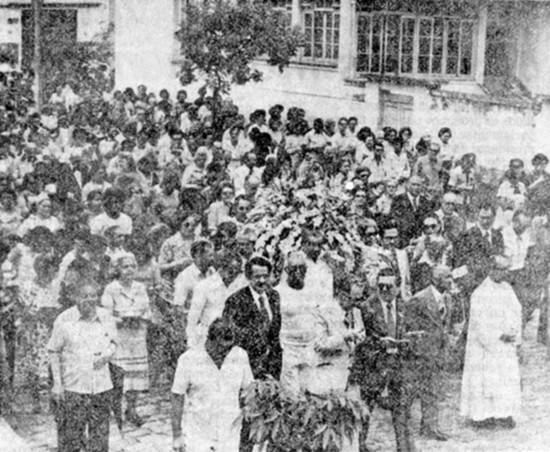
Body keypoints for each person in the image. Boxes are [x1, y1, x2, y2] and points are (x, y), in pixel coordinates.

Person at [350, 268, 416, 452]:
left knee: (401, 408)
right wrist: (379, 343)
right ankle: (360, 446)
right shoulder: (366, 307)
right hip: (374, 365)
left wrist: (408, 340)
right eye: (381, 286)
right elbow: (360, 340)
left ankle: (403, 447)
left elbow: (410, 331)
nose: (384, 290)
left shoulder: (405, 306)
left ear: (398, 287)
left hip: (398, 364)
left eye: (389, 286)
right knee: (366, 408)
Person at [48, 279, 117, 452]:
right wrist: (57, 384)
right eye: (84, 296)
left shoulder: (106, 316)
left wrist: (107, 354)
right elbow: (53, 351)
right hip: (74, 388)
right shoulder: (64, 319)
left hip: (101, 386)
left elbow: (114, 342)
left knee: (100, 440)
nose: (89, 300)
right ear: (75, 297)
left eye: (93, 296)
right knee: (70, 440)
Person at [223, 255, 282, 452]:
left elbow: (275, 333)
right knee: (247, 422)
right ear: (248, 277)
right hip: (247, 370)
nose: (262, 281)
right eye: (257, 277)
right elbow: (230, 336)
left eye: (265, 276)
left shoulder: (274, 297)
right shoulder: (236, 300)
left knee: (271, 420)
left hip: (271, 369)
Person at [171, 318, 254, 452]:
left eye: (229, 348)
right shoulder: (188, 359)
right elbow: (177, 396)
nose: (225, 353)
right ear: (209, 340)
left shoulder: (240, 355)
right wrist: (177, 435)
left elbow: (249, 390)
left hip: (230, 436)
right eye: (221, 348)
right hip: (198, 437)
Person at [460, 257, 522, 429]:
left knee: (505, 380)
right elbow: (480, 324)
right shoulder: (480, 293)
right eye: (502, 269)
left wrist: (514, 332)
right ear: (492, 269)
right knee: (485, 382)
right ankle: (483, 417)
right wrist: (499, 335)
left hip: (506, 345)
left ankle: (504, 414)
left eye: (507, 269)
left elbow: (517, 311)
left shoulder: (507, 288)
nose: (506, 273)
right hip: (486, 347)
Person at [101, 253, 151, 427]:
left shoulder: (140, 287)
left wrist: (140, 318)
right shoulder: (111, 289)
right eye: (125, 266)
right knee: (120, 373)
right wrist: (121, 320)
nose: (129, 270)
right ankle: (116, 409)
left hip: (137, 336)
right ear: (118, 269)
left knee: (135, 375)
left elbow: (147, 309)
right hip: (120, 336)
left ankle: (131, 409)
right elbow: (106, 314)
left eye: (132, 266)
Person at [404, 265, 454, 441]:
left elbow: (445, 325)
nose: (451, 281)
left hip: (438, 352)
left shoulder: (447, 298)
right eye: (447, 277)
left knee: (433, 390)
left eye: (451, 277)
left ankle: (429, 427)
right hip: (422, 354)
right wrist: (418, 351)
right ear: (435, 279)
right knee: (412, 391)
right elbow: (409, 326)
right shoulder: (419, 299)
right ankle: (403, 425)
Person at [186, 250, 246, 349]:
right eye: (231, 271)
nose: (234, 276)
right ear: (221, 268)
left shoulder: (239, 286)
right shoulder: (204, 286)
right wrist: (191, 343)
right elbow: (193, 318)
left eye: (237, 273)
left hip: (231, 339)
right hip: (207, 337)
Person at [390, 175, 433, 249]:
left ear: (422, 186)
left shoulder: (425, 202)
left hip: (420, 242)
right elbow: (396, 220)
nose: (416, 187)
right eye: (413, 184)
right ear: (408, 185)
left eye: (418, 185)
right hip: (403, 241)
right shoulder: (398, 199)